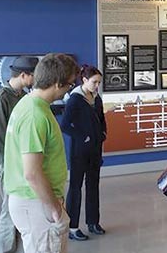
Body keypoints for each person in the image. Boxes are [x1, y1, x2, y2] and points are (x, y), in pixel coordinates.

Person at [3, 53, 79, 253]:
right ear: (56, 83)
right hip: (37, 204)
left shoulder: (30, 105)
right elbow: (32, 173)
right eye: (69, 85)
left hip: (34, 202)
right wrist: (55, 210)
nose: (68, 91)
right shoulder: (35, 114)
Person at [0, 56, 39, 253]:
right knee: (9, 210)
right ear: (24, 75)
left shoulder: (22, 96)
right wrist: (7, 166)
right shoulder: (1, 98)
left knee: (19, 208)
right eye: (34, 75)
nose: (36, 80)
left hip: (20, 162)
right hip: (7, 164)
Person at [60, 65, 108, 241]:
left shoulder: (97, 98)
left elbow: (102, 119)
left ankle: (93, 222)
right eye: (95, 82)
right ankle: (72, 228)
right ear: (84, 80)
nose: (97, 86)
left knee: (93, 186)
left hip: (95, 151)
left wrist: (103, 133)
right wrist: (83, 137)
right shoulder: (75, 100)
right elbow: (64, 125)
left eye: (99, 83)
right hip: (80, 152)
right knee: (76, 188)